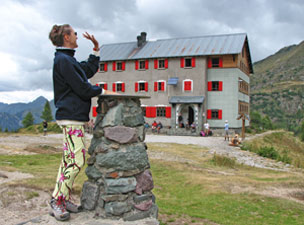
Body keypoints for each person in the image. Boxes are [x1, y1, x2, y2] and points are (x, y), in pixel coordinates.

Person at [48, 24, 115, 221]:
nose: (77, 36)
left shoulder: (66, 59)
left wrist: (95, 50)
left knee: (68, 160)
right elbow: (82, 87)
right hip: (71, 118)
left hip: (71, 117)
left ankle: (62, 197)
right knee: (77, 160)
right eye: (74, 33)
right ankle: (57, 200)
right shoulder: (64, 60)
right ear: (67, 37)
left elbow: (85, 70)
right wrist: (103, 91)